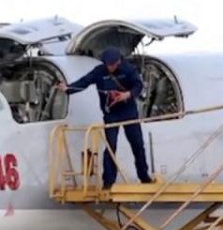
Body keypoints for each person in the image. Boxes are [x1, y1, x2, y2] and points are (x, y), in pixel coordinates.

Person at [56, 47, 152, 189]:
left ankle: (144, 176)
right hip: (111, 113)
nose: (109, 67)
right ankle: (108, 181)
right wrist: (68, 88)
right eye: (107, 64)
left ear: (118, 62)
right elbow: (84, 82)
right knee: (110, 147)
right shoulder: (99, 71)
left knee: (137, 144)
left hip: (129, 112)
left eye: (112, 65)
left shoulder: (128, 69)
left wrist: (127, 95)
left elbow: (138, 85)